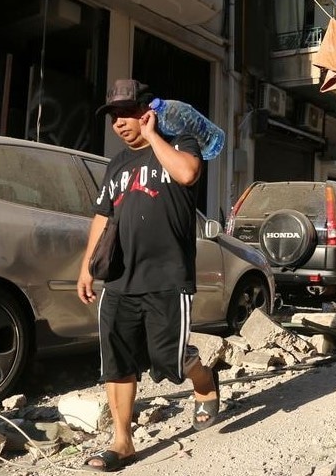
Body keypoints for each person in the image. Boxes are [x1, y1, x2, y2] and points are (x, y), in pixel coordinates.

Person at [76, 79, 219, 472]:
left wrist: (155, 135)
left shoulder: (183, 143)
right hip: (120, 277)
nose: (118, 123)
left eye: (126, 114)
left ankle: (203, 378)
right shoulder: (116, 165)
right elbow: (103, 216)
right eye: (113, 117)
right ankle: (122, 441)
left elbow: (188, 175)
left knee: (166, 361)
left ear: (146, 111)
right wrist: (87, 266)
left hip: (167, 277)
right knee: (118, 360)